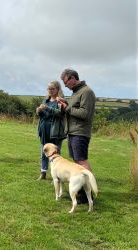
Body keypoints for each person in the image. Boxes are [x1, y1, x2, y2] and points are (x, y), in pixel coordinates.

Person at [57, 68, 96, 203]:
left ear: (73, 78)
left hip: (80, 132)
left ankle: (88, 194)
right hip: (73, 132)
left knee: (81, 161)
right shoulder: (76, 93)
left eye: (66, 82)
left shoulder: (87, 92)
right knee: (77, 161)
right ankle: (82, 192)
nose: (65, 85)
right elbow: (74, 110)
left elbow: (84, 114)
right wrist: (65, 104)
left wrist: (67, 108)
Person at [36, 80, 66, 180]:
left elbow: (60, 114)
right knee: (43, 153)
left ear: (58, 89)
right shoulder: (46, 100)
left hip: (55, 131)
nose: (50, 91)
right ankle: (43, 173)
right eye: (49, 89)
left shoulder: (60, 100)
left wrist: (47, 108)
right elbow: (42, 115)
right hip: (44, 129)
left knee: (55, 154)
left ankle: (57, 177)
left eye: (52, 89)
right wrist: (39, 111)